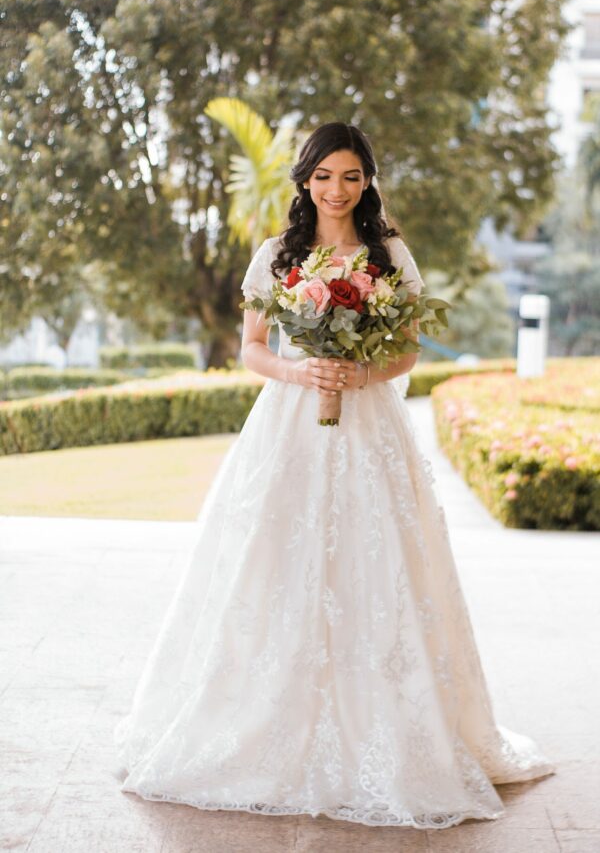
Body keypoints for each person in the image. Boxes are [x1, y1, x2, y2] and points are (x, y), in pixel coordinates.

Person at [114, 122, 555, 830]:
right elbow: (252, 349)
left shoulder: (389, 254)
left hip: (369, 425)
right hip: (288, 423)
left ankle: (391, 729)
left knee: (375, 565)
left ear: (368, 181)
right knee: (273, 562)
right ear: (305, 180)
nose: (337, 190)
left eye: (351, 176)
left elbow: (408, 350)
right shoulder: (277, 254)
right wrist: (300, 369)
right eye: (324, 176)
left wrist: (360, 371)